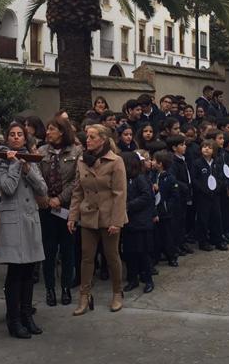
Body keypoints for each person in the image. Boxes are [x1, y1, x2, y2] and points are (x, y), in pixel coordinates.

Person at [0, 122, 48, 338]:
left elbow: (42, 188)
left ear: (25, 139)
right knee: (15, 272)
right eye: (12, 135)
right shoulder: (1, 161)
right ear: (7, 139)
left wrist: (27, 169)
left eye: (20, 135)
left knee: (29, 273)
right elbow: (6, 188)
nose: (16, 137)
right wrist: (15, 165)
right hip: (12, 221)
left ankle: (27, 315)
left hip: (30, 220)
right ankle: (13, 320)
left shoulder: (31, 160)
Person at [68, 124, 127, 315]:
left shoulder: (115, 161)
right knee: (87, 257)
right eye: (87, 136)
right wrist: (72, 216)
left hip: (109, 216)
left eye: (92, 137)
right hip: (88, 215)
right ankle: (84, 296)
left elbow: (120, 193)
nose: (88, 140)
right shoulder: (82, 160)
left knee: (111, 256)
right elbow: (78, 190)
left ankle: (117, 292)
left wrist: (116, 222)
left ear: (102, 139)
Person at [36, 117, 81, 307]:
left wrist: (60, 199)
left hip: (66, 208)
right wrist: (46, 198)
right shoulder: (40, 152)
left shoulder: (76, 152)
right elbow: (36, 176)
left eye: (52, 129)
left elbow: (76, 180)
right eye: (47, 129)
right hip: (46, 208)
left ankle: (65, 288)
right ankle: (50, 290)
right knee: (48, 250)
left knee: (68, 250)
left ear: (62, 131)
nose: (47, 133)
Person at [120, 151, 155, 294]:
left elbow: (146, 196)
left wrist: (129, 205)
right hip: (129, 223)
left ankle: (148, 279)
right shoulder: (125, 179)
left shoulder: (140, 178)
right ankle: (132, 279)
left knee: (143, 252)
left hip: (140, 222)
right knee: (130, 252)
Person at [191, 138, 227, 252]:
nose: (206, 149)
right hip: (203, 196)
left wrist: (217, 188)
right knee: (203, 218)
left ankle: (217, 240)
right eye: (204, 146)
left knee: (217, 217)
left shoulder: (216, 162)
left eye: (210, 147)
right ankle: (203, 241)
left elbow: (220, 176)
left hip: (215, 195)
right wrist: (203, 189)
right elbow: (194, 179)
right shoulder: (197, 163)